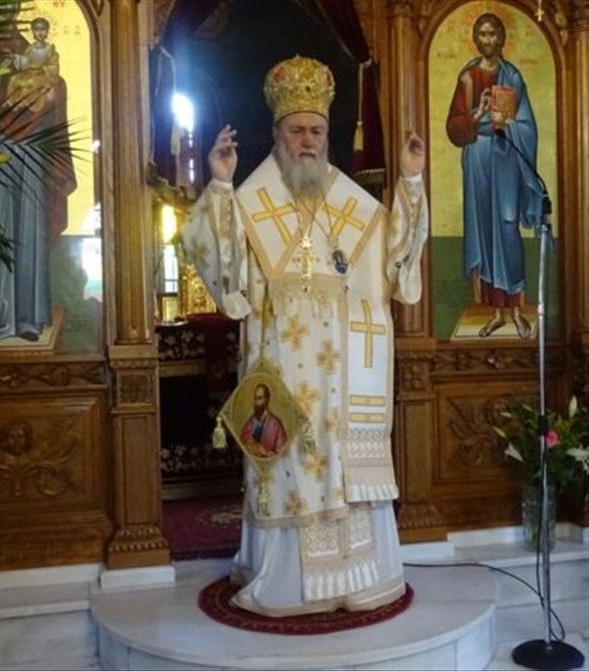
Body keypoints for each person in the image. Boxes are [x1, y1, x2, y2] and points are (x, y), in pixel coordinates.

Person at [182, 55, 428, 616]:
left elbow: (397, 260)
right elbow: (219, 264)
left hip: (347, 380)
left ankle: (361, 577)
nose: (308, 141)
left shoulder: (350, 202)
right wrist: (220, 183)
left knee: (346, 468)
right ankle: (287, 583)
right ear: (277, 134)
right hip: (284, 373)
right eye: (297, 131)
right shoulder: (251, 201)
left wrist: (411, 182)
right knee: (288, 464)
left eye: (316, 130)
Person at [0, 17, 76, 347]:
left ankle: (28, 318)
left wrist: (51, 92)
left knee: (28, 229)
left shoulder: (27, 48)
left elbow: (53, 83)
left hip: (28, 150)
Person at [446, 12, 543, 339]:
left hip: (506, 156)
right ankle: (496, 313)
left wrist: (507, 123)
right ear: (476, 39)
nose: (488, 40)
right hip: (477, 156)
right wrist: (478, 114)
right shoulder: (468, 77)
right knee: (485, 231)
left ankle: (516, 310)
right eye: (483, 34)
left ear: (501, 38)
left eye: (493, 34)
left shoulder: (512, 76)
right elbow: (454, 127)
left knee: (506, 226)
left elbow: (527, 126)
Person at [240, 383, 288, 457]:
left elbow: (282, 450)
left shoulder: (276, 424)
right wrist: (253, 444)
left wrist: (268, 454)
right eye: (255, 398)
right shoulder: (251, 421)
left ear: (266, 400)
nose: (256, 403)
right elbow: (243, 438)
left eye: (260, 398)